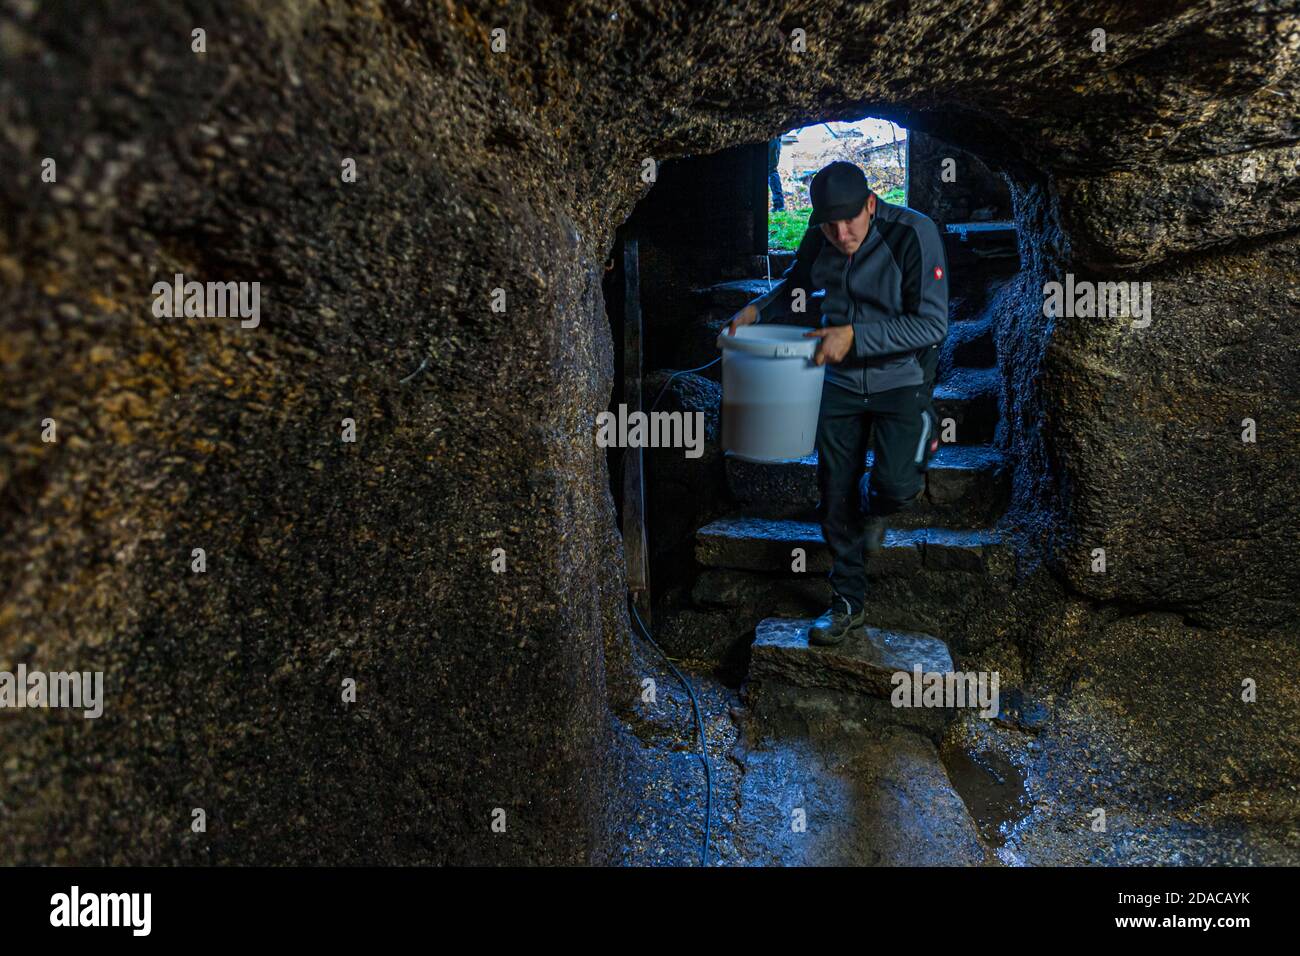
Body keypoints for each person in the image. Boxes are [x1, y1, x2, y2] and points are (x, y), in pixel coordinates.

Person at [727, 161, 948, 646]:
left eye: (849, 220)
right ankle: (847, 601)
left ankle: (881, 500)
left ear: (871, 204)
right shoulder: (822, 233)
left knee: (895, 487)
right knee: (834, 492)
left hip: (902, 378)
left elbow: (933, 325)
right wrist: (757, 310)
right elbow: (798, 286)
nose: (841, 233)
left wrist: (856, 337)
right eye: (829, 224)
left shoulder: (914, 234)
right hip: (837, 384)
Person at [767, 138, 785, 211]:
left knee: (771, 170)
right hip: (775, 139)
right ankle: (779, 204)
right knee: (772, 170)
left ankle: (778, 205)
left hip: (771, 140)